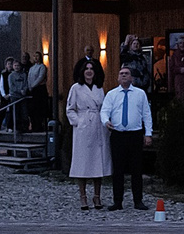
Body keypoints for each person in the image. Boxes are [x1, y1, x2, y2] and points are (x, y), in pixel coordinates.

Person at [102, 63, 153, 210]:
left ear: (131, 78)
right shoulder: (111, 95)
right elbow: (104, 111)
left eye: (127, 73)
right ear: (118, 78)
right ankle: (117, 201)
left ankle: (138, 201)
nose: (124, 75)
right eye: (121, 73)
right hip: (118, 135)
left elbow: (146, 114)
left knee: (136, 169)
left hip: (135, 135)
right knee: (118, 170)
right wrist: (106, 121)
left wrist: (148, 134)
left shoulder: (140, 94)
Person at [65, 58, 110, 210]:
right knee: (82, 162)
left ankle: (97, 196)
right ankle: (83, 196)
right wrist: (78, 122)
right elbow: (70, 109)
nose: (89, 71)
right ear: (82, 72)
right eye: (86, 69)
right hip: (83, 126)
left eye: (91, 69)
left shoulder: (99, 88)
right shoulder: (76, 88)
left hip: (97, 125)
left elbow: (104, 107)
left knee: (98, 162)